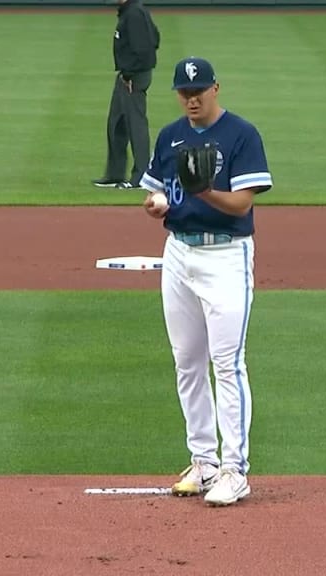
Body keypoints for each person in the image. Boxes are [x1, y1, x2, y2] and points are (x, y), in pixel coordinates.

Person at [140, 57, 273, 507]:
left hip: (226, 256)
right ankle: (204, 461)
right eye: (183, 92)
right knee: (187, 360)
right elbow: (157, 190)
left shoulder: (241, 135)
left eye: (198, 91)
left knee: (227, 363)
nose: (191, 99)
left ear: (216, 88)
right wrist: (155, 204)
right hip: (179, 253)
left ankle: (235, 470)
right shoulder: (170, 135)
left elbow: (240, 206)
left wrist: (205, 193)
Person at [92, 0, 160, 190]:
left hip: (133, 76)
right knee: (117, 124)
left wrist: (131, 74)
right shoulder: (131, 11)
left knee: (135, 125)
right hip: (127, 74)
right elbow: (155, 37)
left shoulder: (134, 13)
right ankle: (115, 174)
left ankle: (142, 176)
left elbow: (146, 47)